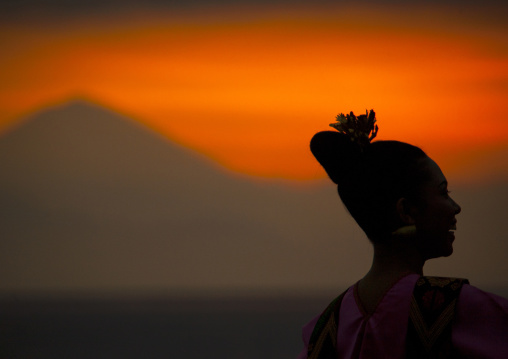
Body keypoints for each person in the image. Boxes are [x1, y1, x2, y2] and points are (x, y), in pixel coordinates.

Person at [297, 110, 508, 358]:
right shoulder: (461, 308)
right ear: (406, 210)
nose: (455, 207)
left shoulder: (325, 328)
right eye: (443, 192)